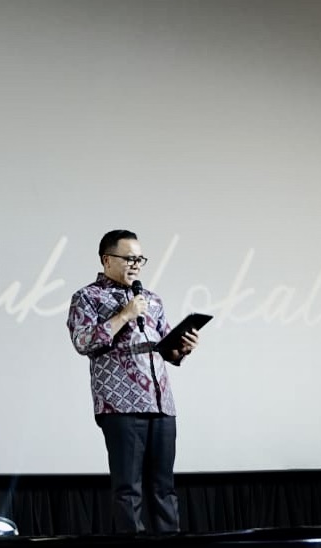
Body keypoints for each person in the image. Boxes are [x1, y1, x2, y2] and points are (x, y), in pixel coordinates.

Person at [67, 229, 200, 534]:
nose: (136, 265)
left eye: (140, 259)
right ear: (107, 259)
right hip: (121, 406)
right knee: (128, 489)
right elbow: (83, 342)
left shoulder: (152, 299)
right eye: (129, 258)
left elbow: (165, 348)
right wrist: (125, 315)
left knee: (164, 488)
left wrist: (182, 347)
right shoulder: (87, 297)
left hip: (161, 404)